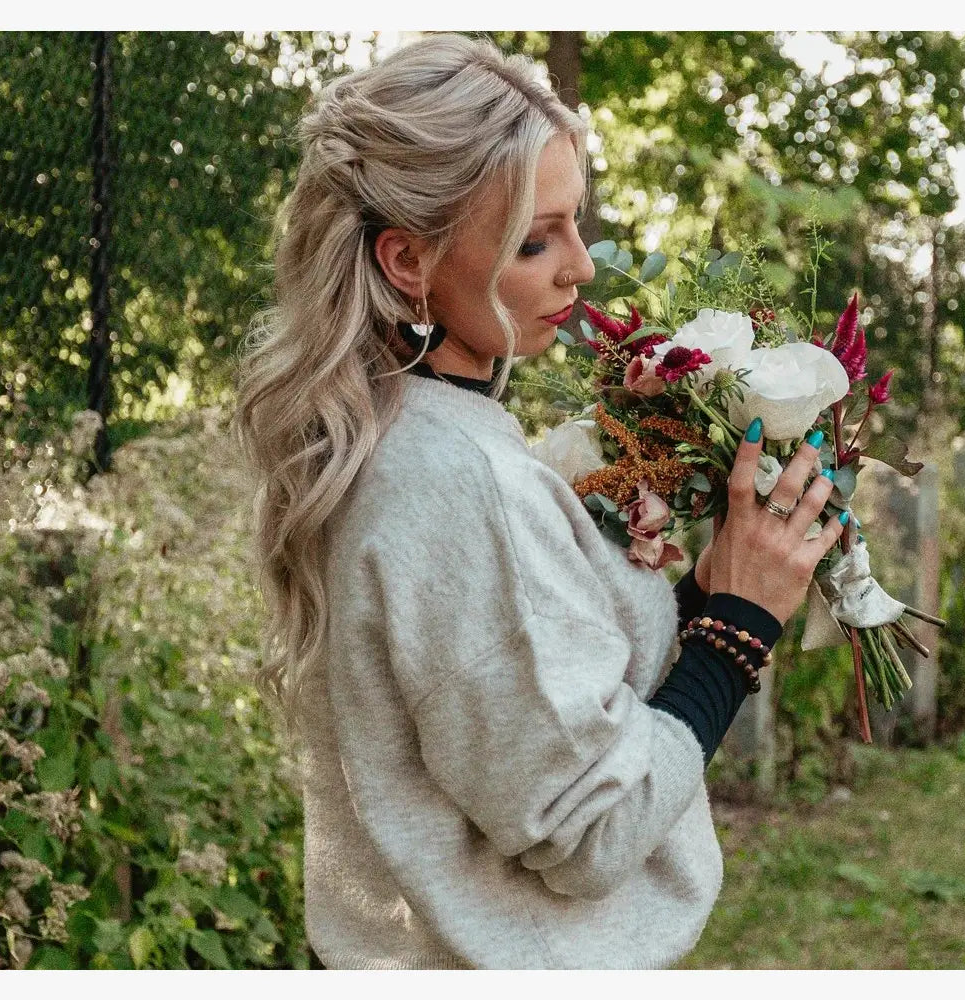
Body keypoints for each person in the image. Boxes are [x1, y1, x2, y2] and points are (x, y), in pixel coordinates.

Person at [233, 33, 847, 970]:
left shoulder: (414, 435)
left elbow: (532, 711)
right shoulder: (454, 478)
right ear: (408, 260)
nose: (583, 268)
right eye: (534, 239)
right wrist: (739, 628)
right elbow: (593, 830)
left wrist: (708, 596)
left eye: (572, 224)